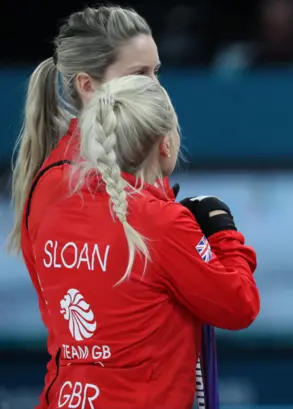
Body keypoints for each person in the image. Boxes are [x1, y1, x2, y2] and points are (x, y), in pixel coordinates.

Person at [29, 74, 260, 409]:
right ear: (165, 143)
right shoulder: (162, 223)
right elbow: (239, 306)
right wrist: (222, 233)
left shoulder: (56, 213)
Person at [8, 6, 172, 408]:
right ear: (87, 85)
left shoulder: (140, 163)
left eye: (157, 73)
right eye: (138, 75)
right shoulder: (68, 184)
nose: (156, 88)